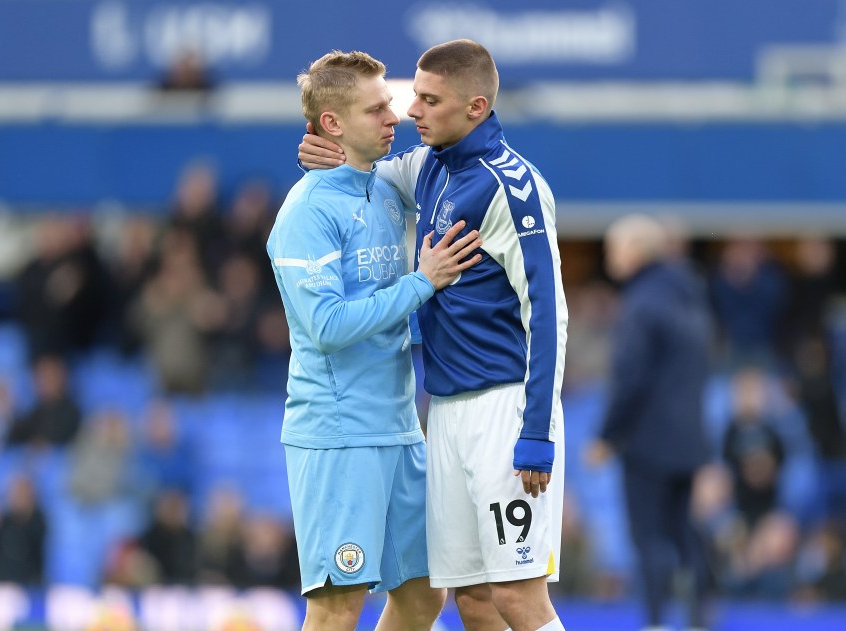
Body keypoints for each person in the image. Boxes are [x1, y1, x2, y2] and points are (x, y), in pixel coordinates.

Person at [300, 39, 569, 631]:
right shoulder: (427, 166)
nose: (410, 112)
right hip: (443, 413)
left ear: (475, 106)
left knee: (519, 597)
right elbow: (360, 161)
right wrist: (328, 148)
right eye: (409, 97)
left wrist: (537, 433)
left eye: (428, 99)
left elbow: (548, 313)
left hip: (504, 409)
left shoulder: (513, 187)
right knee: (471, 598)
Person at [268, 50, 483, 631]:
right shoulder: (305, 212)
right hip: (339, 436)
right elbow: (328, 327)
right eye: (377, 108)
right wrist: (423, 282)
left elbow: (450, 156)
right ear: (332, 124)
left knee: (420, 597)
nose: (395, 116)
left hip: (398, 429)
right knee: (337, 607)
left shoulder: (386, 185)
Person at [585, 215, 713, 631]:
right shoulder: (690, 296)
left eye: (614, 248)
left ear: (637, 251)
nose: (609, 257)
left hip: (647, 440)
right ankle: (698, 618)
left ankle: (655, 622)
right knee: (684, 532)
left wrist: (607, 436)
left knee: (650, 536)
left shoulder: (641, 302)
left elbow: (629, 377)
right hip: (689, 437)